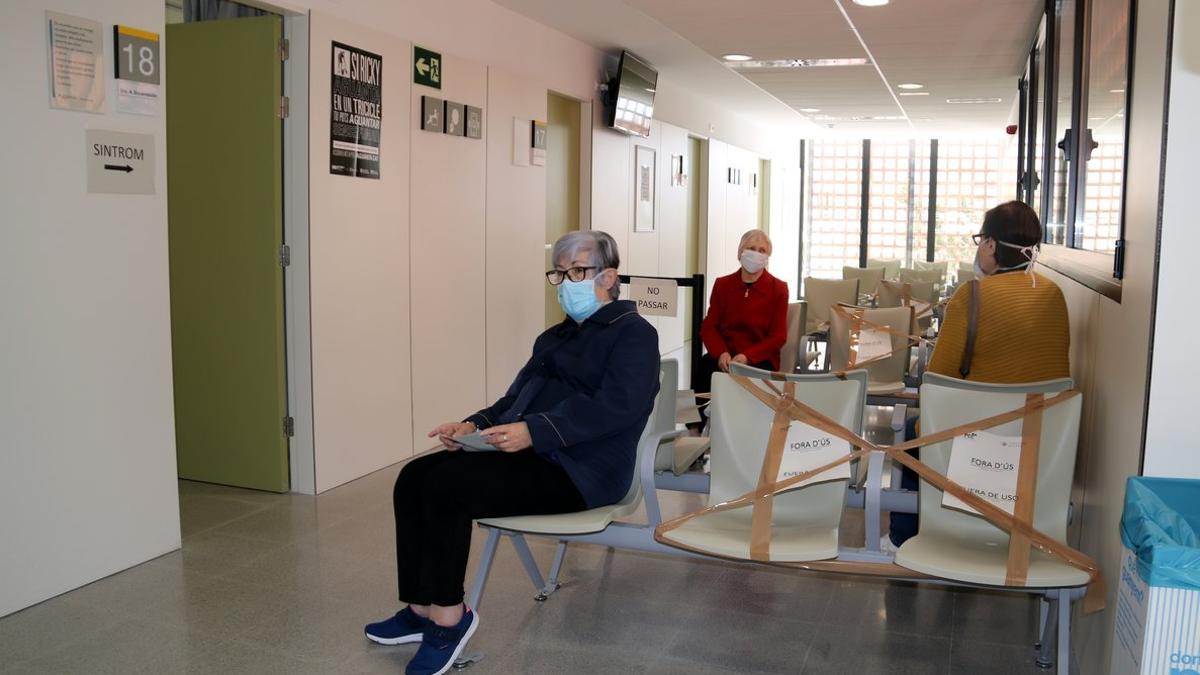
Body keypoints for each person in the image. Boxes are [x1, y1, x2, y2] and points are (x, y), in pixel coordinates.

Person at [364, 230, 660, 675]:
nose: (567, 282)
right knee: (414, 477)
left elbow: (616, 408)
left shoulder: (634, 335)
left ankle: (449, 620)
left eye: (578, 270)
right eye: (560, 273)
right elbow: (514, 400)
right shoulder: (555, 338)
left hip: (584, 472)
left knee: (448, 486)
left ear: (609, 276)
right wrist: (473, 425)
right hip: (534, 455)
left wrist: (534, 432)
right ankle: (421, 610)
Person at [886, 200, 1070, 550]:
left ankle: (902, 540)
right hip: (1040, 442)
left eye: (981, 239)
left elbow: (938, 382)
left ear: (990, 244)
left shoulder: (971, 296)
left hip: (978, 441)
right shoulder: (1054, 295)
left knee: (912, 431)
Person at [695, 229, 789, 399]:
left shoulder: (779, 289)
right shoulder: (723, 285)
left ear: (768, 257)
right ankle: (696, 424)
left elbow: (778, 336)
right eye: (751, 248)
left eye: (762, 250)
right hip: (726, 354)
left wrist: (748, 357)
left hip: (759, 357)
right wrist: (721, 353)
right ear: (740, 253)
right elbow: (709, 326)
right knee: (703, 367)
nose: (756, 253)